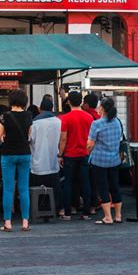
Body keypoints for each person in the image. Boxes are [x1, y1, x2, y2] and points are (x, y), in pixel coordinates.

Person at [0, 89, 33, 232]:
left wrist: (5, 135)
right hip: (25, 153)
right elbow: (30, 134)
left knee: (8, 189)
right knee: (23, 189)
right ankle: (25, 222)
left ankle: (8, 222)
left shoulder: (5, 116)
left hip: (8, 154)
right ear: (24, 101)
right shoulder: (28, 115)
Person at [87, 97, 123, 225]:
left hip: (99, 161)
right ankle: (118, 215)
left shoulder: (96, 124)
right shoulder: (117, 122)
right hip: (114, 159)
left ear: (101, 108)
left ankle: (108, 217)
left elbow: (90, 144)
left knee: (103, 188)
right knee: (115, 187)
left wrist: (88, 152)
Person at [58, 91, 93, 221]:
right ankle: (86, 212)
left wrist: (60, 154)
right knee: (85, 182)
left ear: (69, 102)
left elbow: (63, 139)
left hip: (70, 154)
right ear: (81, 102)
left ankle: (67, 212)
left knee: (68, 182)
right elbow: (91, 138)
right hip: (85, 153)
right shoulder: (89, 117)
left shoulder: (65, 118)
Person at [29, 97, 63, 214]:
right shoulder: (59, 122)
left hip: (37, 163)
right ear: (52, 108)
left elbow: (29, 139)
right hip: (54, 161)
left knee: (37, 190)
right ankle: (58, 209)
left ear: (39, 109)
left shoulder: (34, 123)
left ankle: (39, 209)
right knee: (55, 188)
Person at [82, 92, 101, 214]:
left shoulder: (86, 116)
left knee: (84, 181)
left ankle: (86, 205)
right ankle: (94, 206)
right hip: (98, 154)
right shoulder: (100, 118)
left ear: (87, 104)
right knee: (95, 181)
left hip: (85, 152)